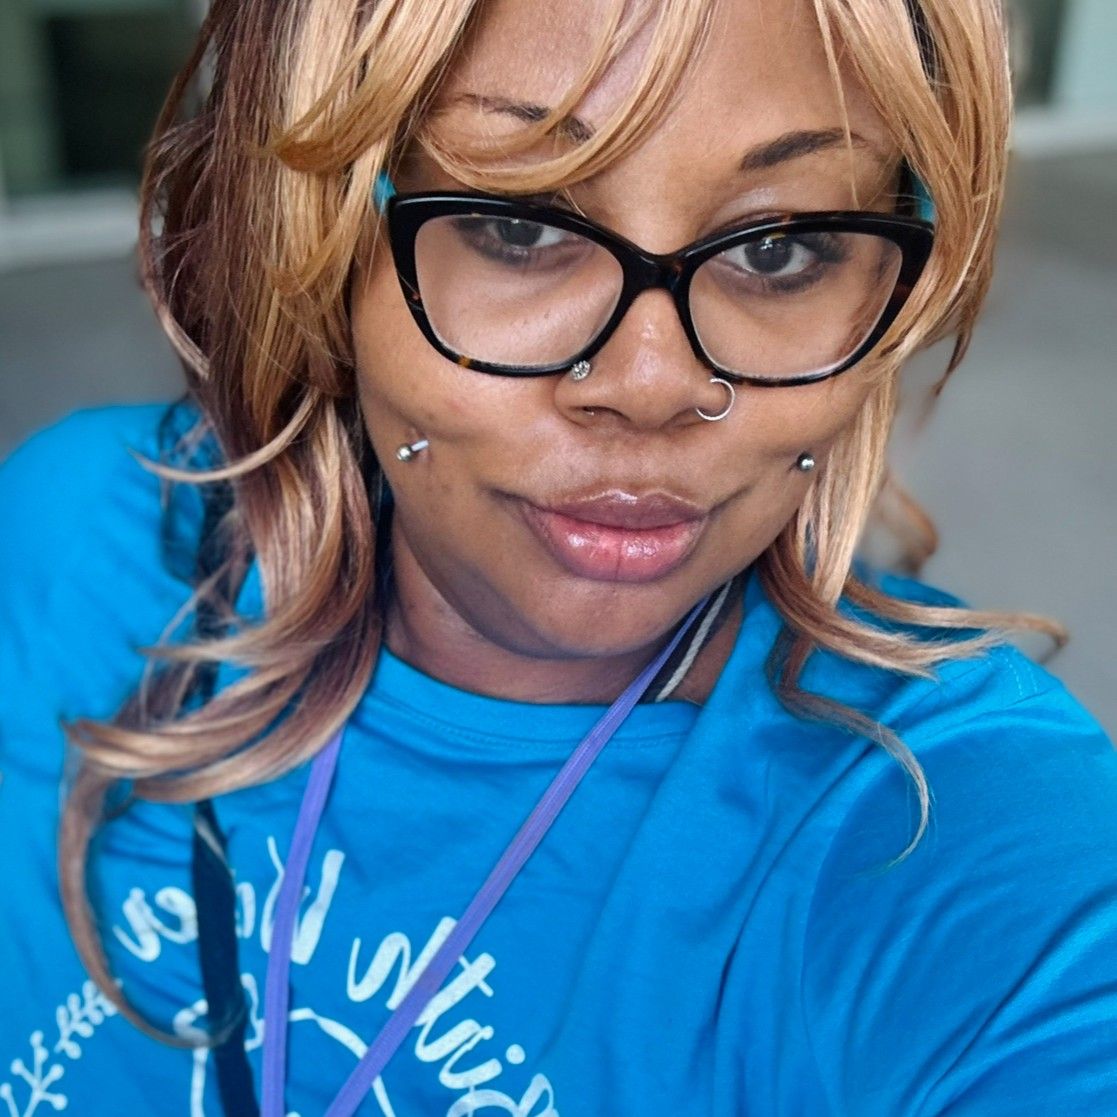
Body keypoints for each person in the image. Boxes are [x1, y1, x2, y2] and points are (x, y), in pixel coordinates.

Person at [2, 0, 1115, 1113]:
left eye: (777, 248)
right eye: (521, 226)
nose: (651, 385)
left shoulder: (953, 829)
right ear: (320, 237)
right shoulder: (73, 537)